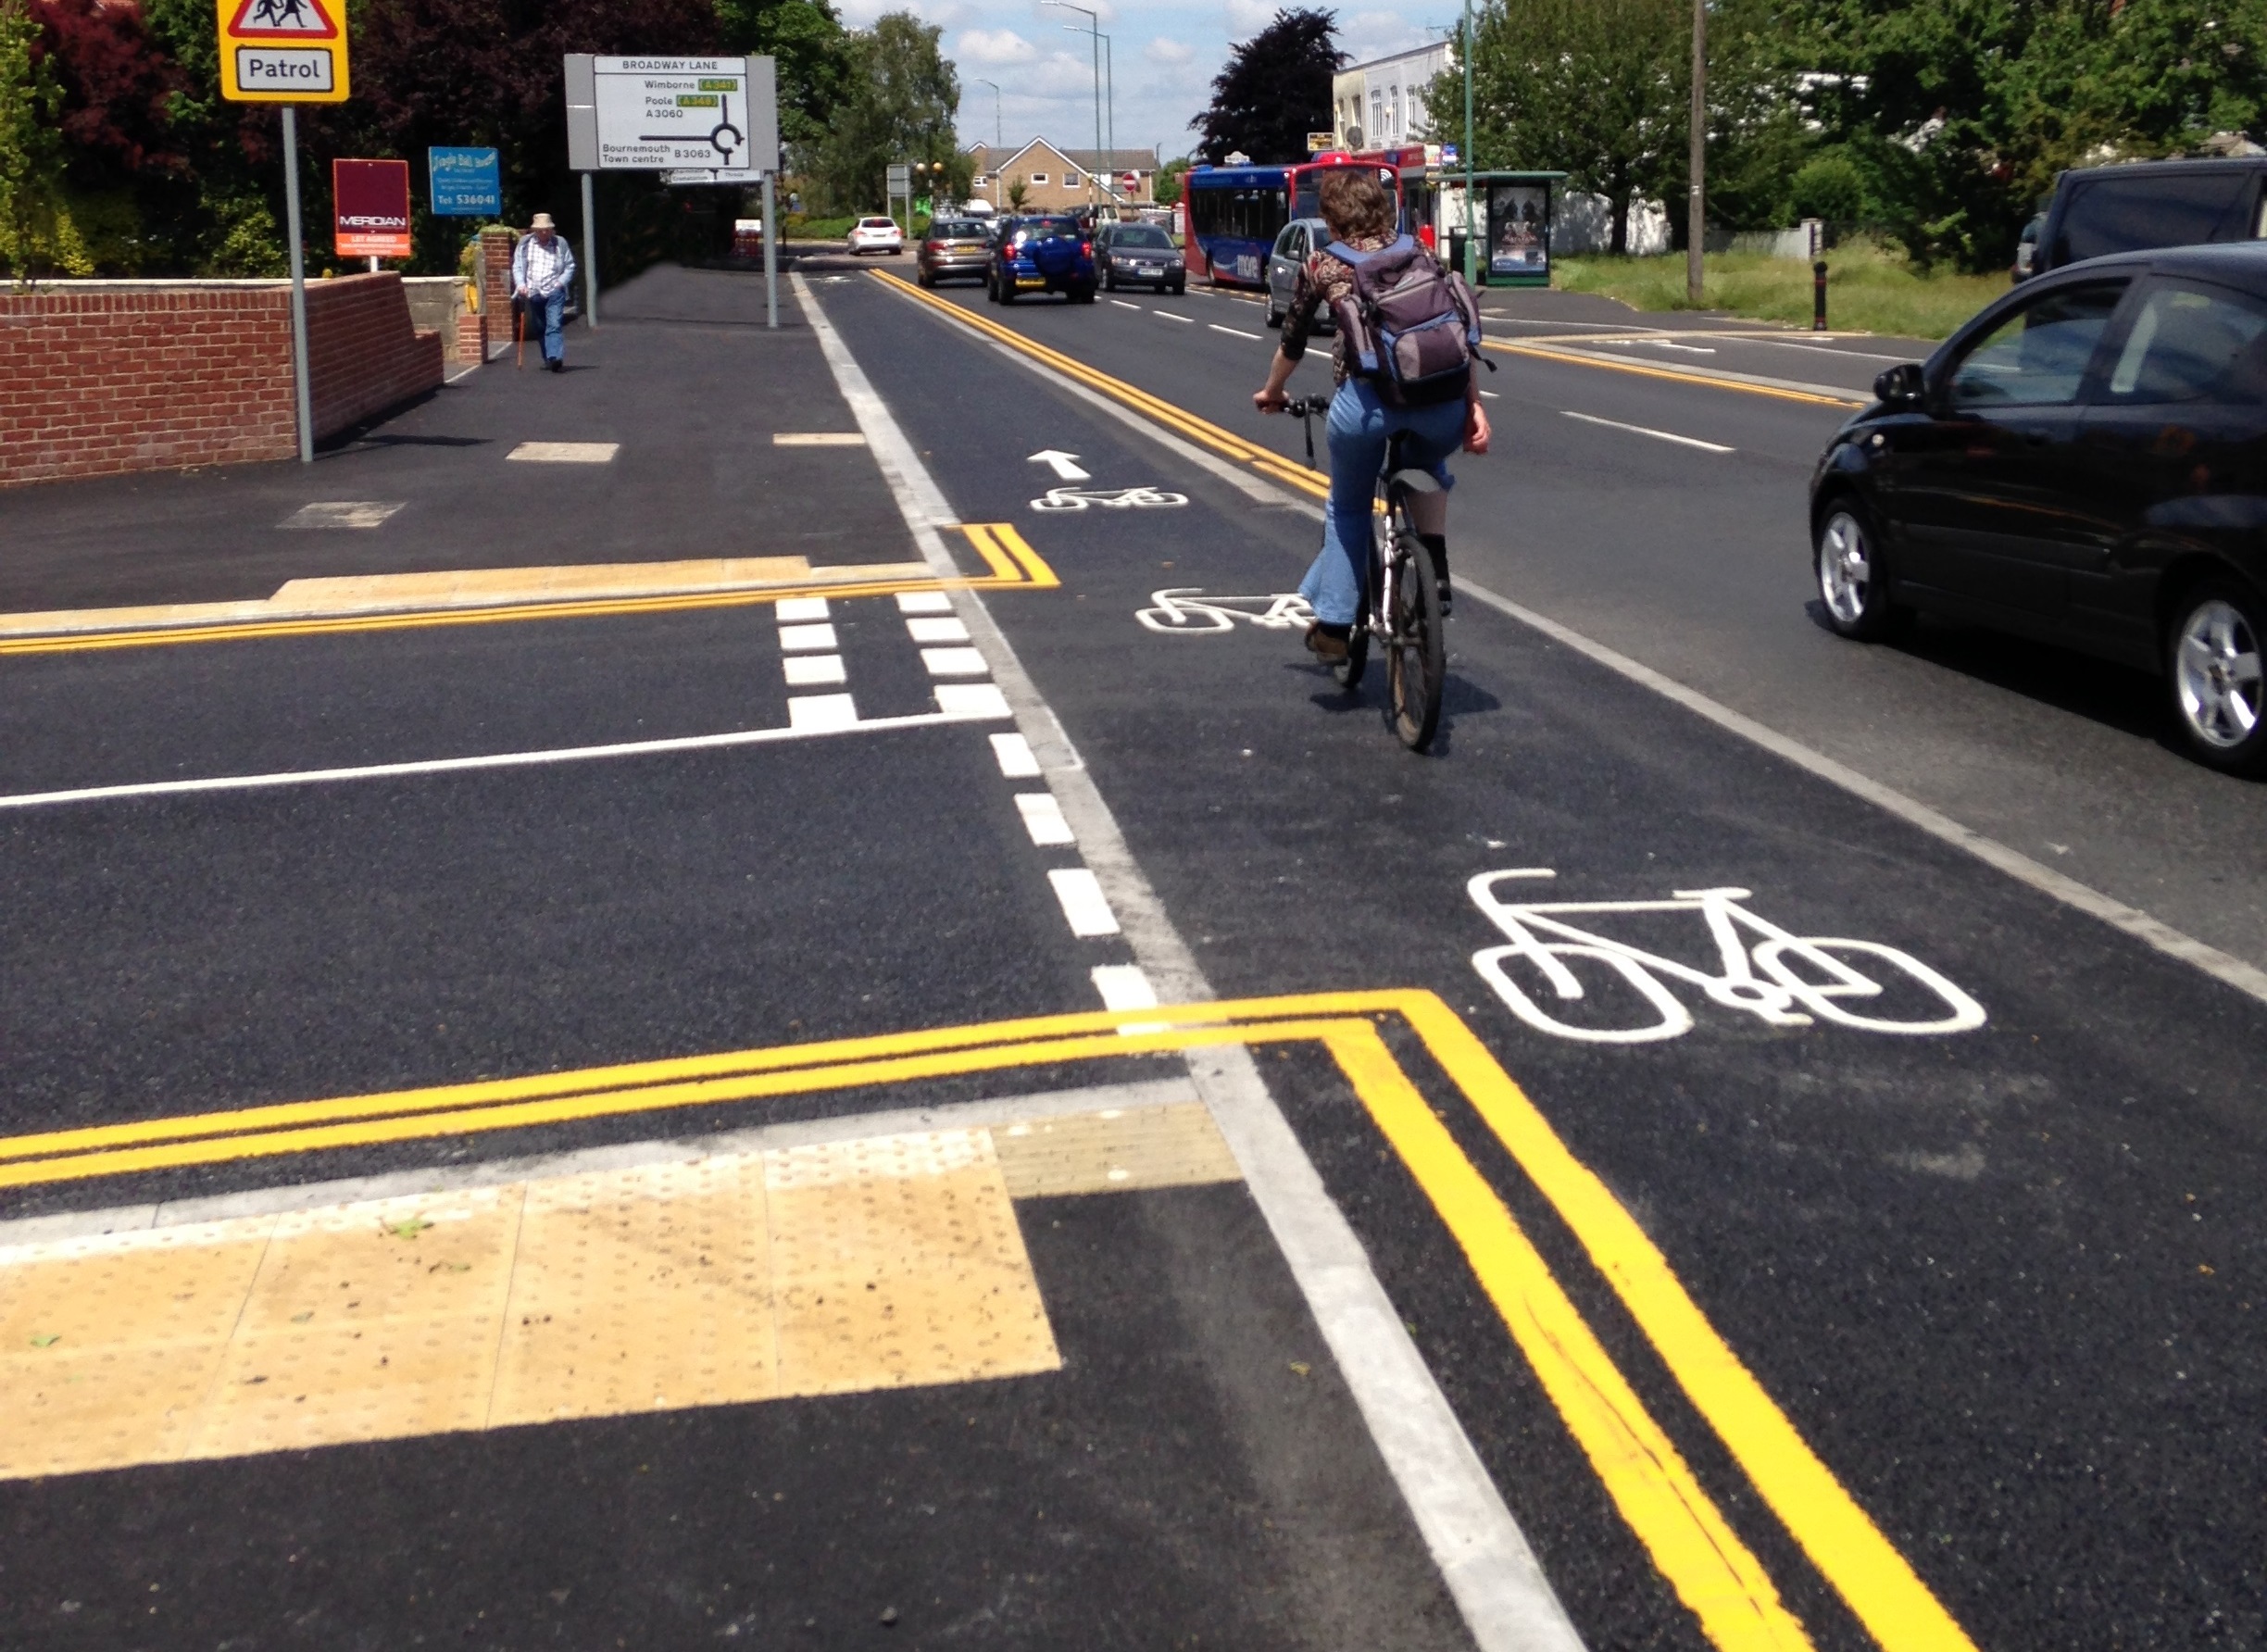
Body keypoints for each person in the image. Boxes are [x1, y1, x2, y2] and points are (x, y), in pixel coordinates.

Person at [1254, 169, 1489, 661]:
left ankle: (1337, 625)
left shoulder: (1323, 265)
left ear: (1331, 220)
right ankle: (1437, 576)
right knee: (1430, 471)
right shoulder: (1420, 253)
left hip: (1367, 406)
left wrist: (1273, 391)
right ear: (1384, 210)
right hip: (1440, 402)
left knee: (1349, 506)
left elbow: (1292, 342)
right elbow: (1456, 332)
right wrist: (1474, 407)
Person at [511, 212, 578, 374]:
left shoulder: (559, 244)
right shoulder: (525, 244)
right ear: (534, 230)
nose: (544, 233)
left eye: (547, 230)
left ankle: (555, 357)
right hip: (533, 292)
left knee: (554, 325)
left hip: (554, 291)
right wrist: (521, 284)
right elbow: (518, 267)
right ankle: (548, 358)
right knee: (539, 327)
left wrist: (560, 283)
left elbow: (570, 266)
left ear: (551, 229)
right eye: (540, 230)